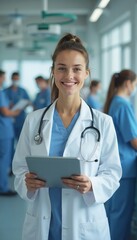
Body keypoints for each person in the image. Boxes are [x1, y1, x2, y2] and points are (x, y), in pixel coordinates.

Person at [12, 33, 122, 240]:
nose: (69, 76)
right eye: (61, 68)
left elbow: (112, 174)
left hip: (85, 225)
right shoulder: (34, 121)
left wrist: (92, 185)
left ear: (86, 73)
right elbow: (19, 168)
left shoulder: (103, 123)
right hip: (42, 225)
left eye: (77, 69)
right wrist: (26, 182)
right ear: (53, 72)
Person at [104, 70, 137, 240]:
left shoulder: (114, 102)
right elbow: (133, 140)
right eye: (135, 84)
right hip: (125, 167)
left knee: (114, 211)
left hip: (118, 165)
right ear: (128, 84)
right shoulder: (123, 105)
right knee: (121, 214)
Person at [0, 70, 20, 196]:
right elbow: (5, 112)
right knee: (4, 160)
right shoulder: (1, 92)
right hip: (4, 132)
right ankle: (3, 187)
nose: (4, 80)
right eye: (3, 77)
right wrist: (14, 113)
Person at [4, 72, 30, 141]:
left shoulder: (23, 91)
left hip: (20, 119)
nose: (16, 81)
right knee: (9, 142)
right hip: (8, 120)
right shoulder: (5, 91)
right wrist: (8, 104)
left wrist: (23, 105)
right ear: (11, 79)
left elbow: (28, 102)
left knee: (21, 141)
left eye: (17, 79)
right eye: (14, 79)